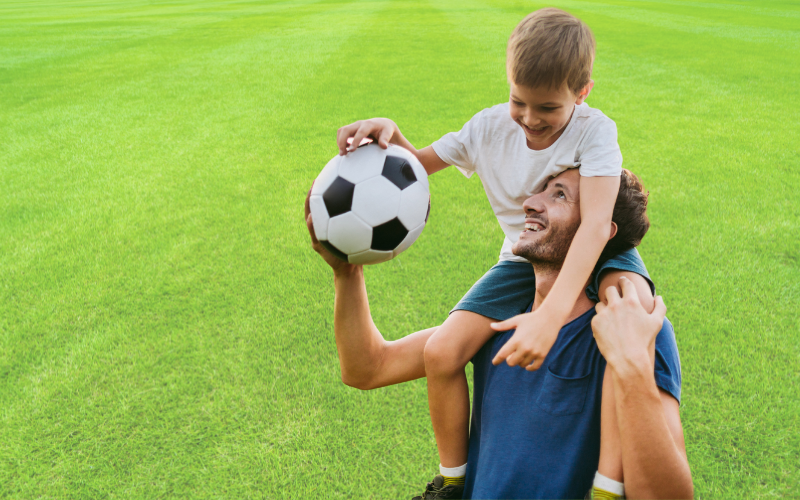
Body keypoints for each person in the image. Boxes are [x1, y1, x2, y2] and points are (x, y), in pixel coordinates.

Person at [335, 8, 649, 498]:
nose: (530, 119)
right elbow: (413, 170)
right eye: (518, 101)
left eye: (548, 108)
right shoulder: (486, 130)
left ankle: (608, 488)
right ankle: (452, 482)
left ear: (582, 92)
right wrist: (389, 135)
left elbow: (595, 225)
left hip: (600, 247)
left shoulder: (595, 131)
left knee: (625, 327)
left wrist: (552, 318)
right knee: (441, 351)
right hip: (524, 258)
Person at [305, 168, 693, 499]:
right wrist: (347, 273)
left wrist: (633, 367)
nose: (530, 202)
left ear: (597, 230)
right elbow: (366, 368)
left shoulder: (633, 332)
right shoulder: (495, 324)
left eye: (559, 195)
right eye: (540, 188)